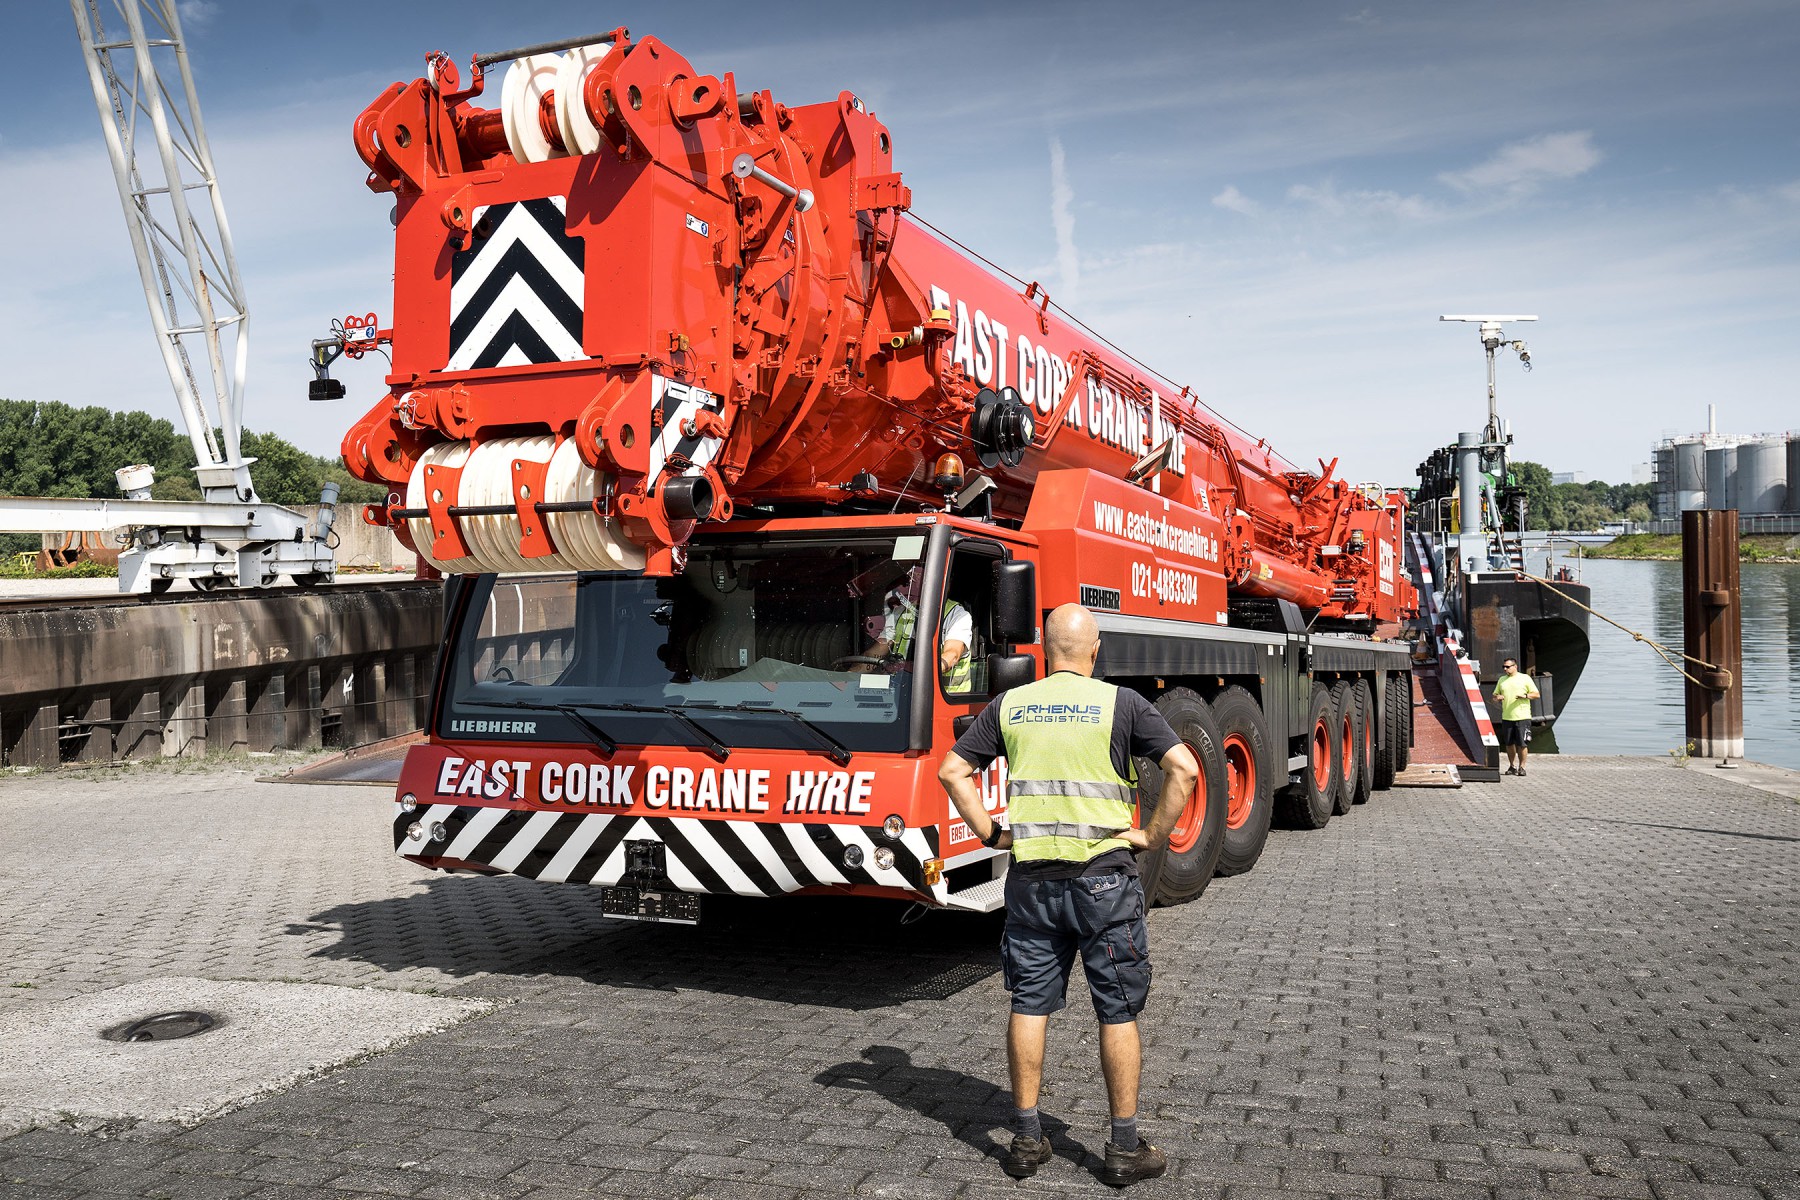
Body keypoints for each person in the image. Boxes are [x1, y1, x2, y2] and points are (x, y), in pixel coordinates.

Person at [937, 604, 1199, 1187]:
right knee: (1118, 1009)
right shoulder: (1121, 705)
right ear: (1095, 649)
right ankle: (1123, 1148)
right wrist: (1152, 835)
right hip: (1104, 881)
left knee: (1029, 1003)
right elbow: (1183, 769)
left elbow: (953, 771)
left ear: (1045, 651)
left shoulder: (1012, 706)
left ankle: (1028, 1139)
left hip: (1031, 882)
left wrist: (990, 833)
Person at [861, 582, 974, 693]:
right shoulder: (900, 612)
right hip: (902, 699)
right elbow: (874, 654)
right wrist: (848, 678)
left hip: (946, 704)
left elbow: (951, 657)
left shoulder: (957, 615)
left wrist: (907, 668)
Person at [1493, 657, 1540, 776]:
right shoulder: (1502, 680)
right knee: (1509, 744)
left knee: (1522, 744)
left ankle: (1522, 767)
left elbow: (1536, 694)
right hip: (1507, 717)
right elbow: (1494, 696)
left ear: (1515, 667)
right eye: (1504, 667)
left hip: (1522, 717)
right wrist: (1497, 698)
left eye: (1508, 667)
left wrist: (1525, 696)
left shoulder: (1525, 678)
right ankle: (1512, 766)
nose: (1505, 669)